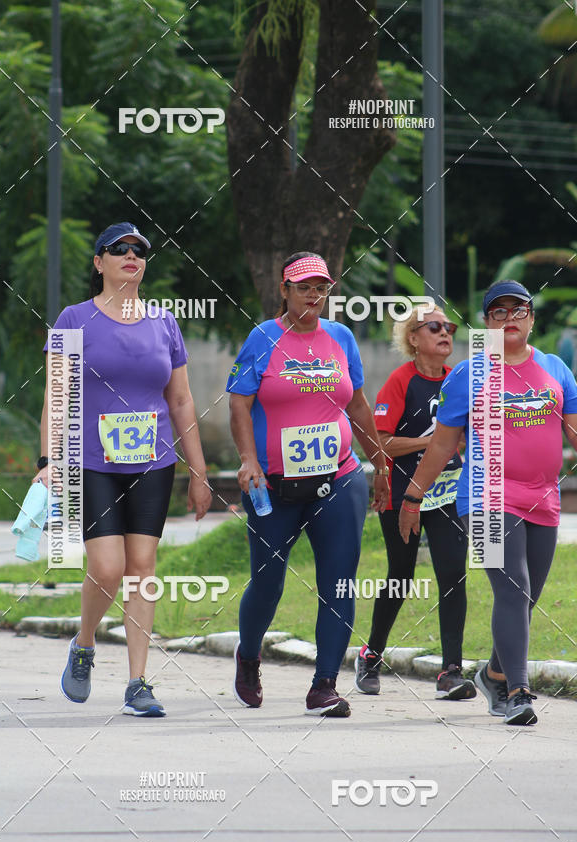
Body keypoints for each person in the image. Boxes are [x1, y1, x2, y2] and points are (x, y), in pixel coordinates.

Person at [36, 222, 211, 716]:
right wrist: (48, 461)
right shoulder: (73, 320)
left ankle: (138, 682)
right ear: (99, 263)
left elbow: (180, 400)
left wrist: (198, 472)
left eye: (140, 250)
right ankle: (85, 644)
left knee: (142, 570)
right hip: (89, 461)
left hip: (153, 462)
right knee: (108, 568)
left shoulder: (164, 322)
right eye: (118, 249)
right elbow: (57, 397)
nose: (131, 255)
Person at [399, 280, 577, 725]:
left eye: (519, 310)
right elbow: (441, 447)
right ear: (487, 324)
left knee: (527, 595)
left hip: (543, 497)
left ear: (532, 319)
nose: (510, 319)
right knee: (512, 587)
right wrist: (412, 496)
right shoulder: (468, 375)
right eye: (499, 312)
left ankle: (495, 672)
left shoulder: (556, 368)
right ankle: (518, 692)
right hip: (484, 497)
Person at [227, 252, 389, 717]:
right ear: (285, 290)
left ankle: (324, 685)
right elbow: (239, 405)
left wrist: (378, 463)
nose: (313, 296)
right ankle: (249, 654)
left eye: (321, 287)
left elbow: (357, 406)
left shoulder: (340, 337)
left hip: (338, 478)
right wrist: (248, 460)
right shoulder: (263, 338)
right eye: (303, 287)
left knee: (339, 584)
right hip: (273, 485)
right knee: (268, 582)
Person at [355, 305, 475, 701]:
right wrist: (435, 441)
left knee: (453, 574)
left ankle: (451, 670)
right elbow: (381, 440)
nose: (446, 333)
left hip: (446, 493)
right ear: (413, 338)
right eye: (435, 327)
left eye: (450, 327)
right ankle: (371, 655)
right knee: (402, 574)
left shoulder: (459, 380)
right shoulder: (400, 381)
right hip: (402, 494)